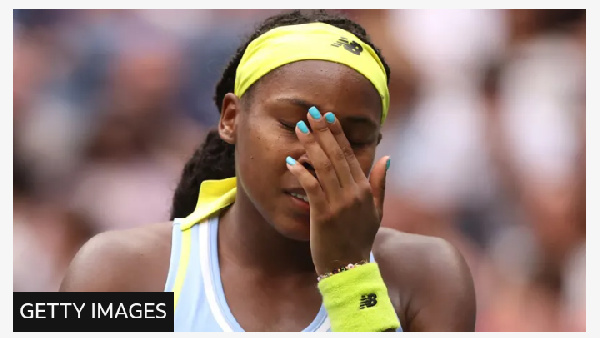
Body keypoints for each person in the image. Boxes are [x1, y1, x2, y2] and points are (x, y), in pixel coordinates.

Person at [60, 10, 476, 332]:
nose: (319, 156)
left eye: (354, 137)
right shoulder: (118, 271)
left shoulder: (429, 274)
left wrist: (351, 277)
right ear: (230, 118)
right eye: (293, 124)